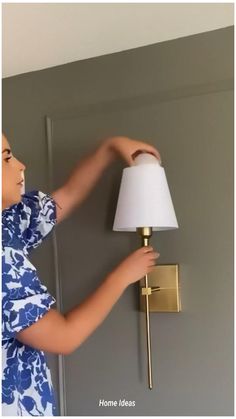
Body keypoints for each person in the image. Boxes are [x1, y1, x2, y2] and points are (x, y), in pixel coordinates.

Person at [2, 132, 161, 416]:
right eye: (6, 158)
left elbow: (68, 196)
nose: (20, 165)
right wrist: (122, 276)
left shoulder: (7, 219)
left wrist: (110, 148)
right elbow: (64, 337)